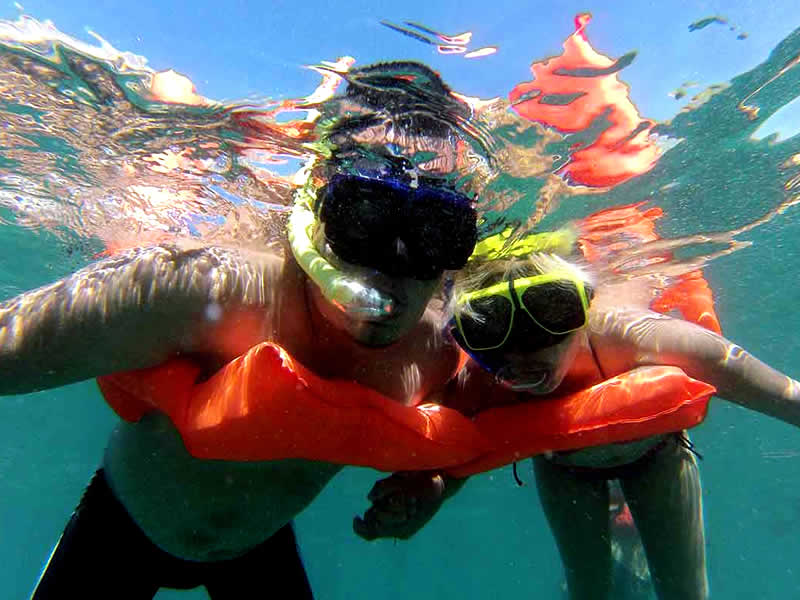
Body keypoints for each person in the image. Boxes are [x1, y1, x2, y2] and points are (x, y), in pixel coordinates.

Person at [0, 61, 484, 599]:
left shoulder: (434, 353)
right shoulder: (199, 288)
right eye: (362, 218)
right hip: (118, 529)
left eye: (437, 234)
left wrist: (432, 488)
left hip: (259, 548)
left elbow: (469, 439)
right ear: (317, 206)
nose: (390, 271)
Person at [353, 248, 800, 600]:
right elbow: (445, 467)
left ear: (583, 307)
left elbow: (783, 395)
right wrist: (427, 495)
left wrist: (432, 490)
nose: (521, 355)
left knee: (685, 592)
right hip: (566, 469)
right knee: (589, 592)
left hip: (656, 455)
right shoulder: (478, 382)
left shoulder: (636, 338)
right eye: (489, 332)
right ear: (468, 339)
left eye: (549, 314)